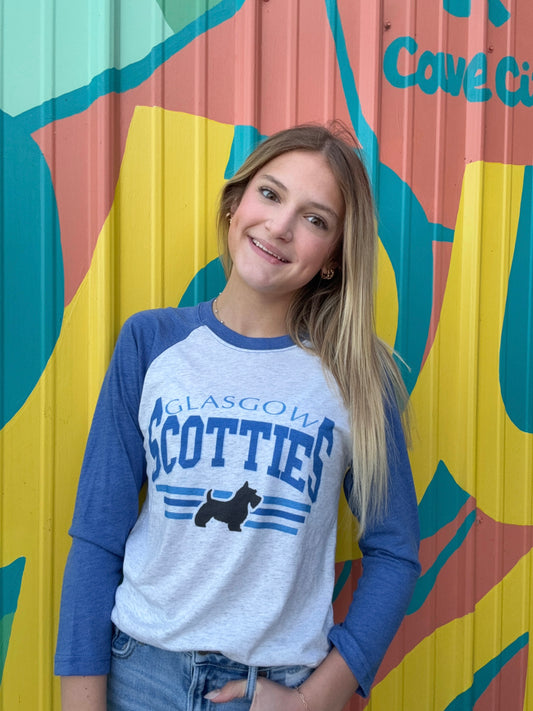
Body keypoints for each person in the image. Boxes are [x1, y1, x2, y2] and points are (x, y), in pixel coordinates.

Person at [55, 123, 421, 710]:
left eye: (315, 219)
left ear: (333, 257)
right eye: (270, 194)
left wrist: (312, 700)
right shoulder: (150, 342)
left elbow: (395, 552)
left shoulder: (357, 376)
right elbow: (98, 536)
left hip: (274, 687)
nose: (279, 226)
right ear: (235, 205)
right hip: (140, 674)